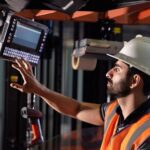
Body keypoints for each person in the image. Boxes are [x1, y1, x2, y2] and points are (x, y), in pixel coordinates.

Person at [10, 36, 150, 150]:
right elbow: (77, 109)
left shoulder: (147, 134)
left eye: (117, 69)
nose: (108, 73)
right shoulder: (114, 111)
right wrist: (37, 88)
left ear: (134, 81)